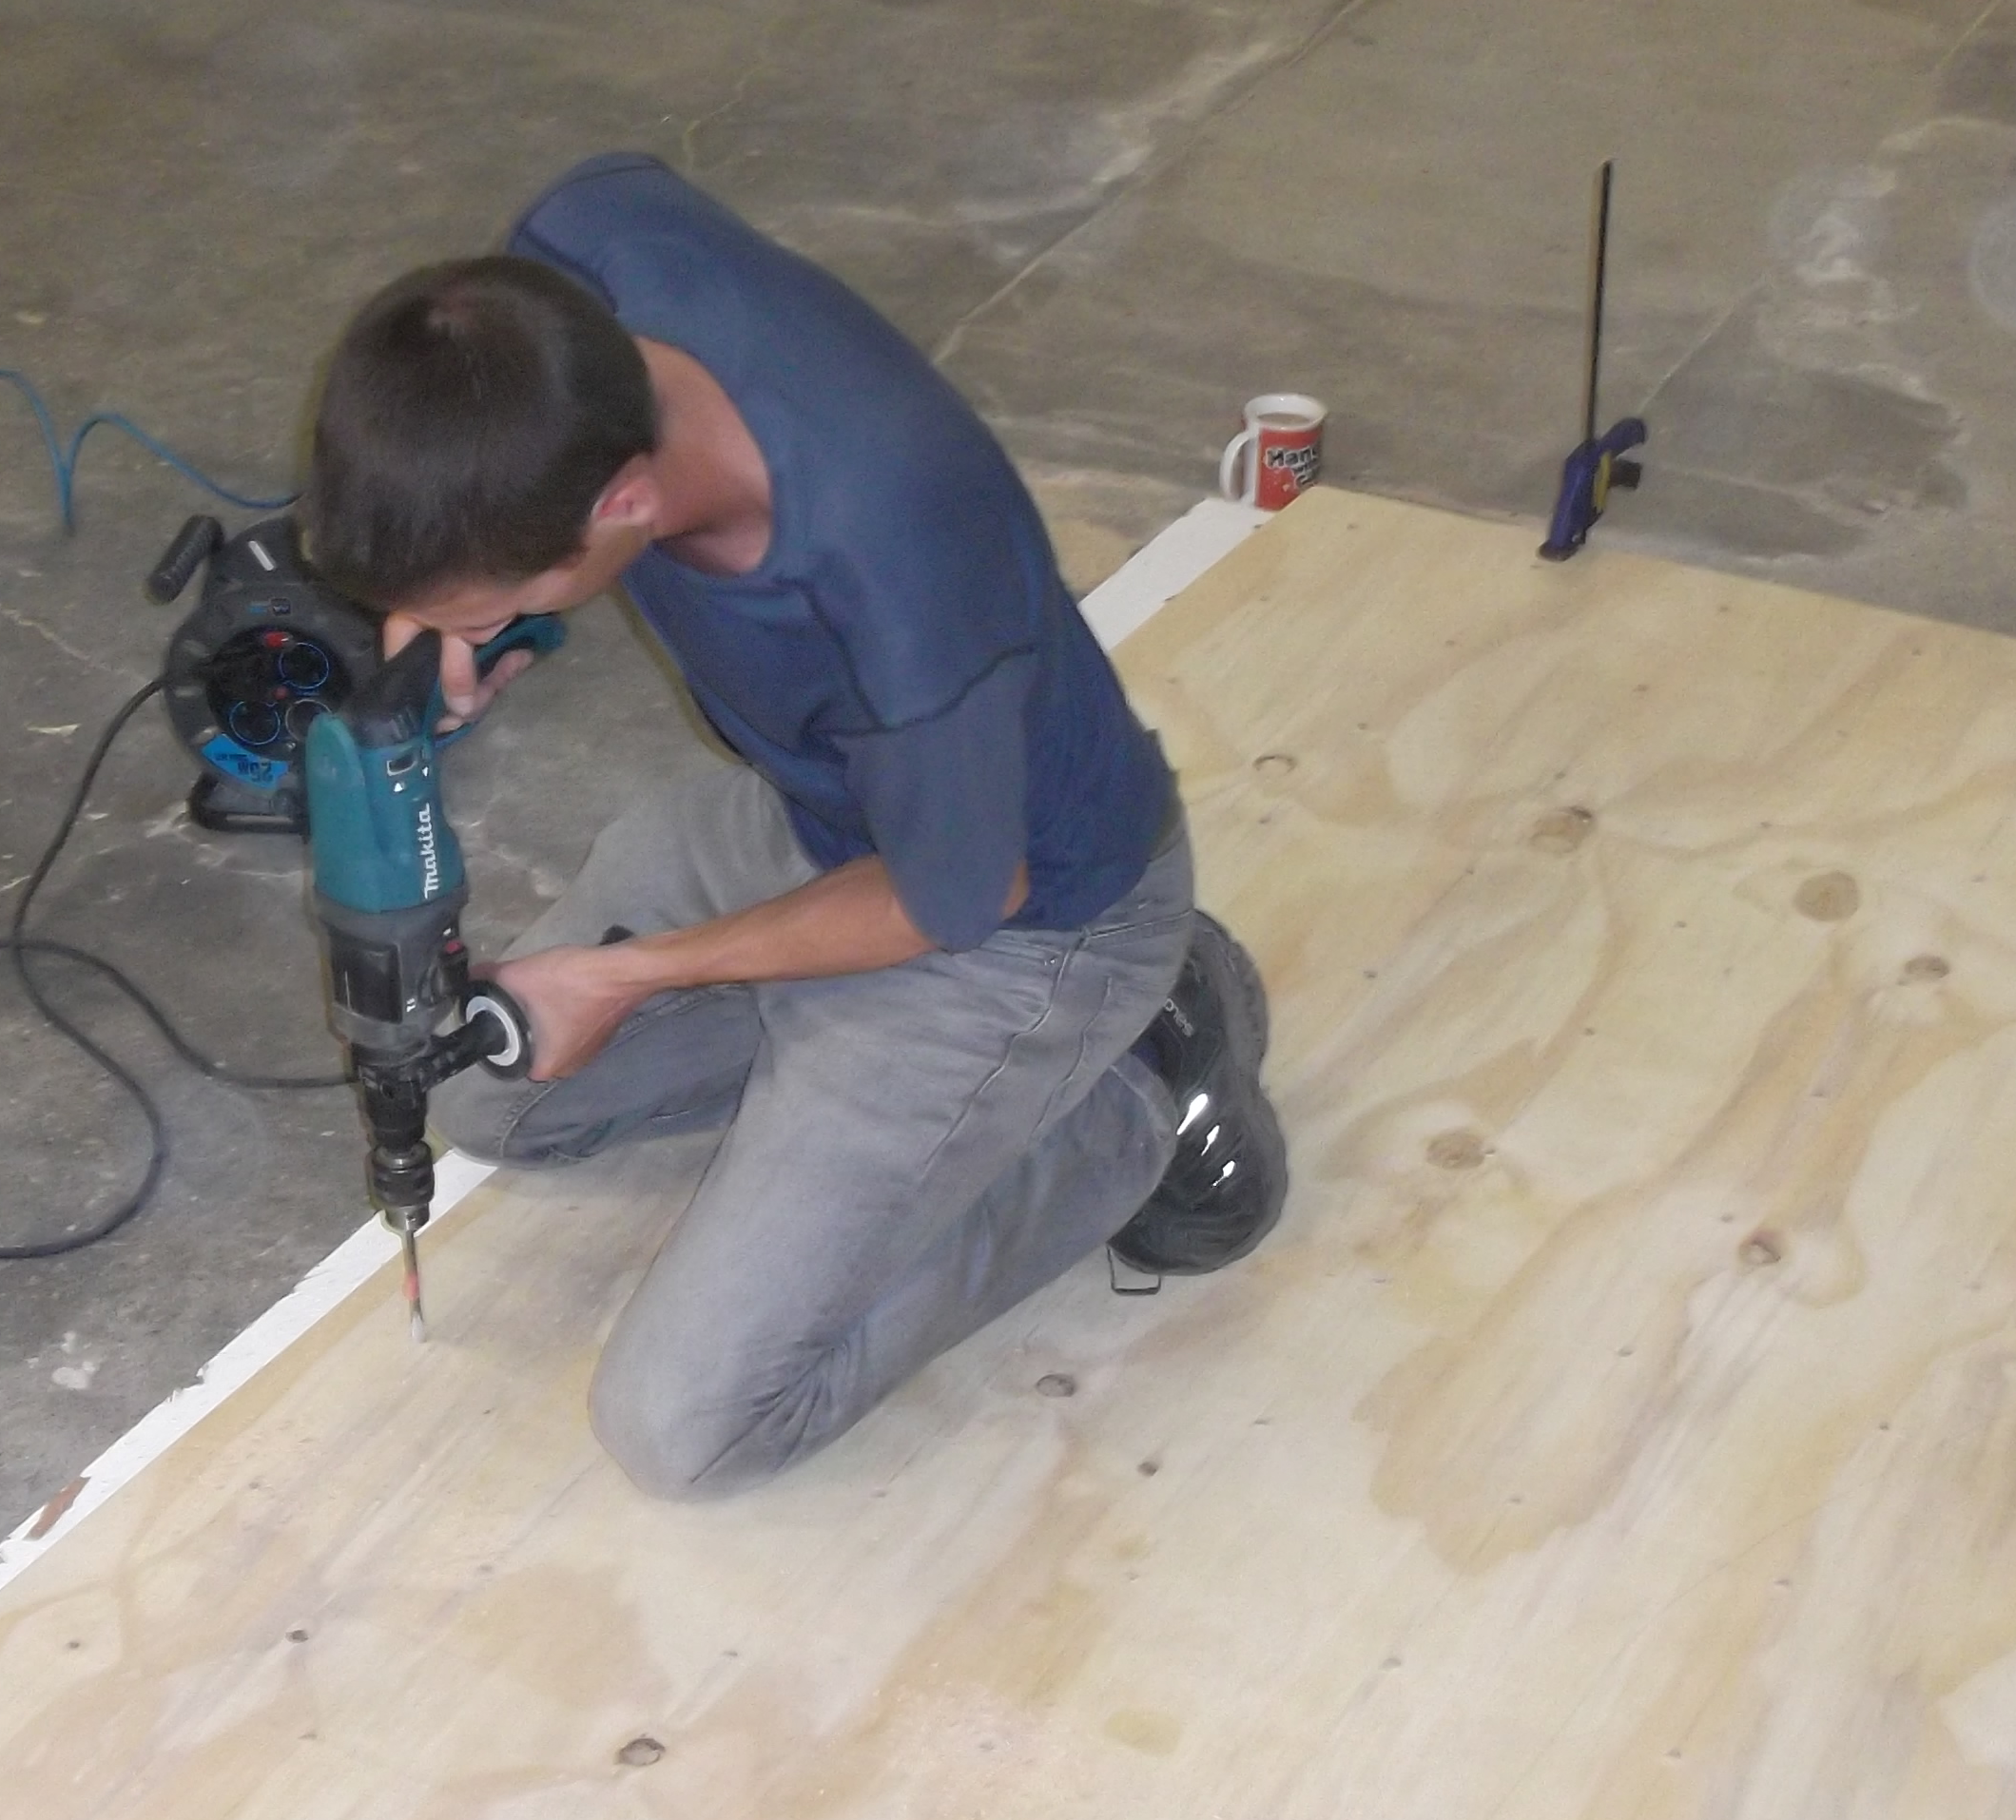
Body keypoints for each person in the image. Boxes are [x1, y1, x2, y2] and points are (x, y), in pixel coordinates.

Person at [297, 151, 1284, 1502]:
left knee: (687, 1428)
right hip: (820, 817)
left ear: (625, 503)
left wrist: (628, 977)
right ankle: (832, 1052)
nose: (469, 631)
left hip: (1025, 915)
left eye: (498, 602)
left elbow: (951, 899)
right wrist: (447, 602)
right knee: (481, 1089)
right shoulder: (587, 265)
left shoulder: (898, 557)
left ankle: (1133, 1088)